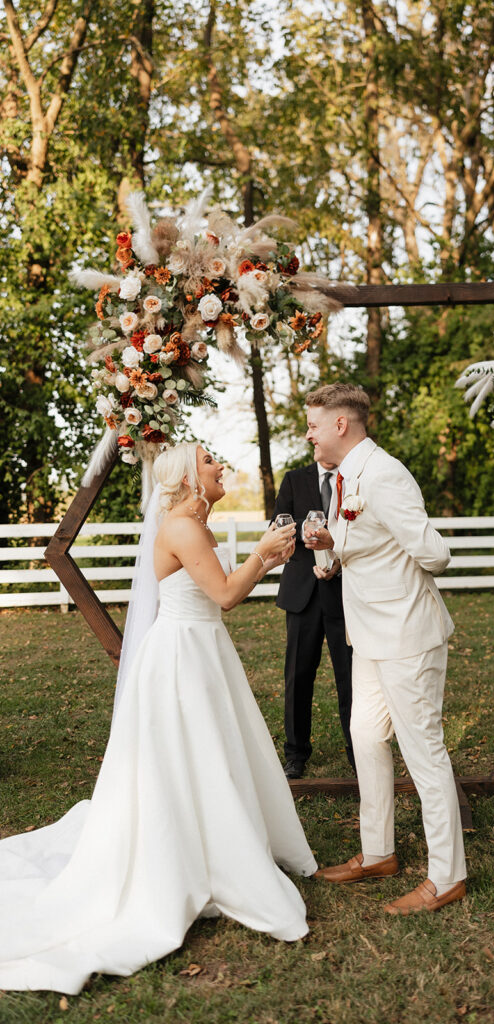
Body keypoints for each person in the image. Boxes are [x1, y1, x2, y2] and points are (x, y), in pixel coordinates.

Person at [0, 443, 317, 995]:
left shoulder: (193, 521)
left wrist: (264, 556)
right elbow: (224, 595)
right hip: (182, 658)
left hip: (201, 651)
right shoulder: (184, 527)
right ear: (189, 478)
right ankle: (201, 853)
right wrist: (263, 556)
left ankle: (215, 837)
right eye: (210, 461)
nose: (222, 466)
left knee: (211, 751)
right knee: (192, 754)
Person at [303, 383, 467, 915]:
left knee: (424, 753)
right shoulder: (346, 477)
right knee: (367, 738)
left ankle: (447, 877)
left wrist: (395, 552)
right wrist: (334, 546)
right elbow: (366, 542)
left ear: (341, 426)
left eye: (313, 425)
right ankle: (378, 852)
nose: (309, 434)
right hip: (368, 636)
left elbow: (433, 552)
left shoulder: (385, 474)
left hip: (407, 637)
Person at [273, 460, 354, 779]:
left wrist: (338, 561)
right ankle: (295, 753)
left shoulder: (354, 479)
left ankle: (356, 750)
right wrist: (304, 527)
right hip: (302, 591)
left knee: (349, 675)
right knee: (297, 675)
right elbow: (276, 523)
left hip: (345, 590)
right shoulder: (294, 479)